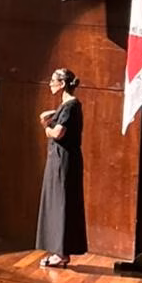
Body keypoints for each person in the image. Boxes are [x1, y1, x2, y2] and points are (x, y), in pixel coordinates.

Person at [36, 67, 88, 269]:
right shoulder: (67, 106)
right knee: (58, 202)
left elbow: (58, 133)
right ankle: (60, 251)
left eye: (53, 80)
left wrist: (45, 127)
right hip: (61, 159)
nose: (50, 83)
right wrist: (50, 114)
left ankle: (61, 253)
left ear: (63, 83)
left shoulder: (70, 106)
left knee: (61, 203)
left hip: (63, 161)